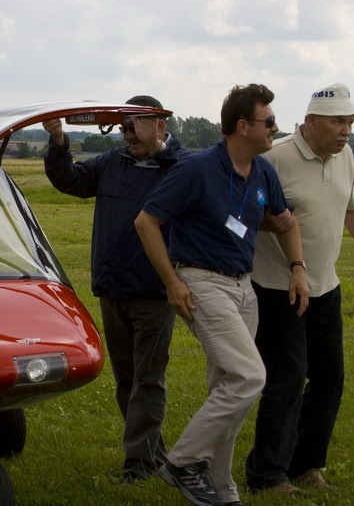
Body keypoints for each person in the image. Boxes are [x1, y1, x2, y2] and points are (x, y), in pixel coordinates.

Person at [135, 83, 309, 506]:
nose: (276, 128)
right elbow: (146, 222)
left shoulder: (264, 171)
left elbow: (284, 222)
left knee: (229, 389)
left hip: (242, 287)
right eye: (269, 122)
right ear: (243, 126)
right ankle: (181, 461)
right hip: (201, 282)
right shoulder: (196, 169)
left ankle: (222, 490)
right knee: (250, 376)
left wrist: (298, 268)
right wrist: (173, 283)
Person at [245, 83, 354, 494]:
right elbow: (248, 214)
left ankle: (307, 465)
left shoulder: (344, 157)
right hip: (278, 287)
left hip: (327, 285)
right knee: (288, 379)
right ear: (310, 122)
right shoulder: (273, 159)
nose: (346, 131)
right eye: (338, 122)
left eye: (351, 122)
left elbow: (353, 207)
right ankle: (266, 474)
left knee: (329, 378)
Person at [42, 95, 191, 482]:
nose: (128, 136)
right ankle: (154, 455)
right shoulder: (114, 161)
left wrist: (158, 149)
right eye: (123, 128)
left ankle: (139, 465)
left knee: (148, 379)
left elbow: (188, 173)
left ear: (160, 125)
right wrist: (58, 141)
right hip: (113, 287)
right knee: (127, 380)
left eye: (135, 127)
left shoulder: (181, 166)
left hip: (155, 291)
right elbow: (70, 181)